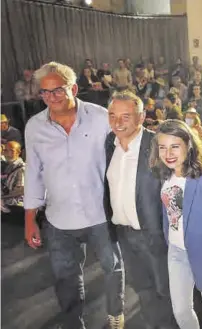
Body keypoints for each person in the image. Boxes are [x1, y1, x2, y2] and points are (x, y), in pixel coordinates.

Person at [23, 62, 124, 329]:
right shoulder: (34, 127)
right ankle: (73, 322)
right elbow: (33, 173)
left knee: (112, 268)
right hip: (58, 219)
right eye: (44, 93)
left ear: (74, 88)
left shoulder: (101, 117)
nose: (51, 98)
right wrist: (29, 218)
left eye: (57, 90)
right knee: (65, 278)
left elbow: (125, 152)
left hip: (99, 214)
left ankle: (115, 314)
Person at [104, 91, 178, 329]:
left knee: (167, 292)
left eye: (125, 116)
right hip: (124, 236)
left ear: (141, 116)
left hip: (155, 236)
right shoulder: (109, 144)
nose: (117, 122)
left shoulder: (157, 145)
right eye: (112, 115)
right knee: (143, 291)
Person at [149, 120, 202, 329]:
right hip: (176, 251)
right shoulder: (165, 175)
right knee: (180, 310)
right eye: (162, 147)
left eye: (175, 146)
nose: (168, 153)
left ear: (188, 145)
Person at [1, 141, 25, 210]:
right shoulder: (9, 165)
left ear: (18, 152)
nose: (8, 153)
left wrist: (2, 197)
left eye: (12, 150)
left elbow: (21, 191)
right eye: (5, 150)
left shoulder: (22, 168)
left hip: (16, 206)